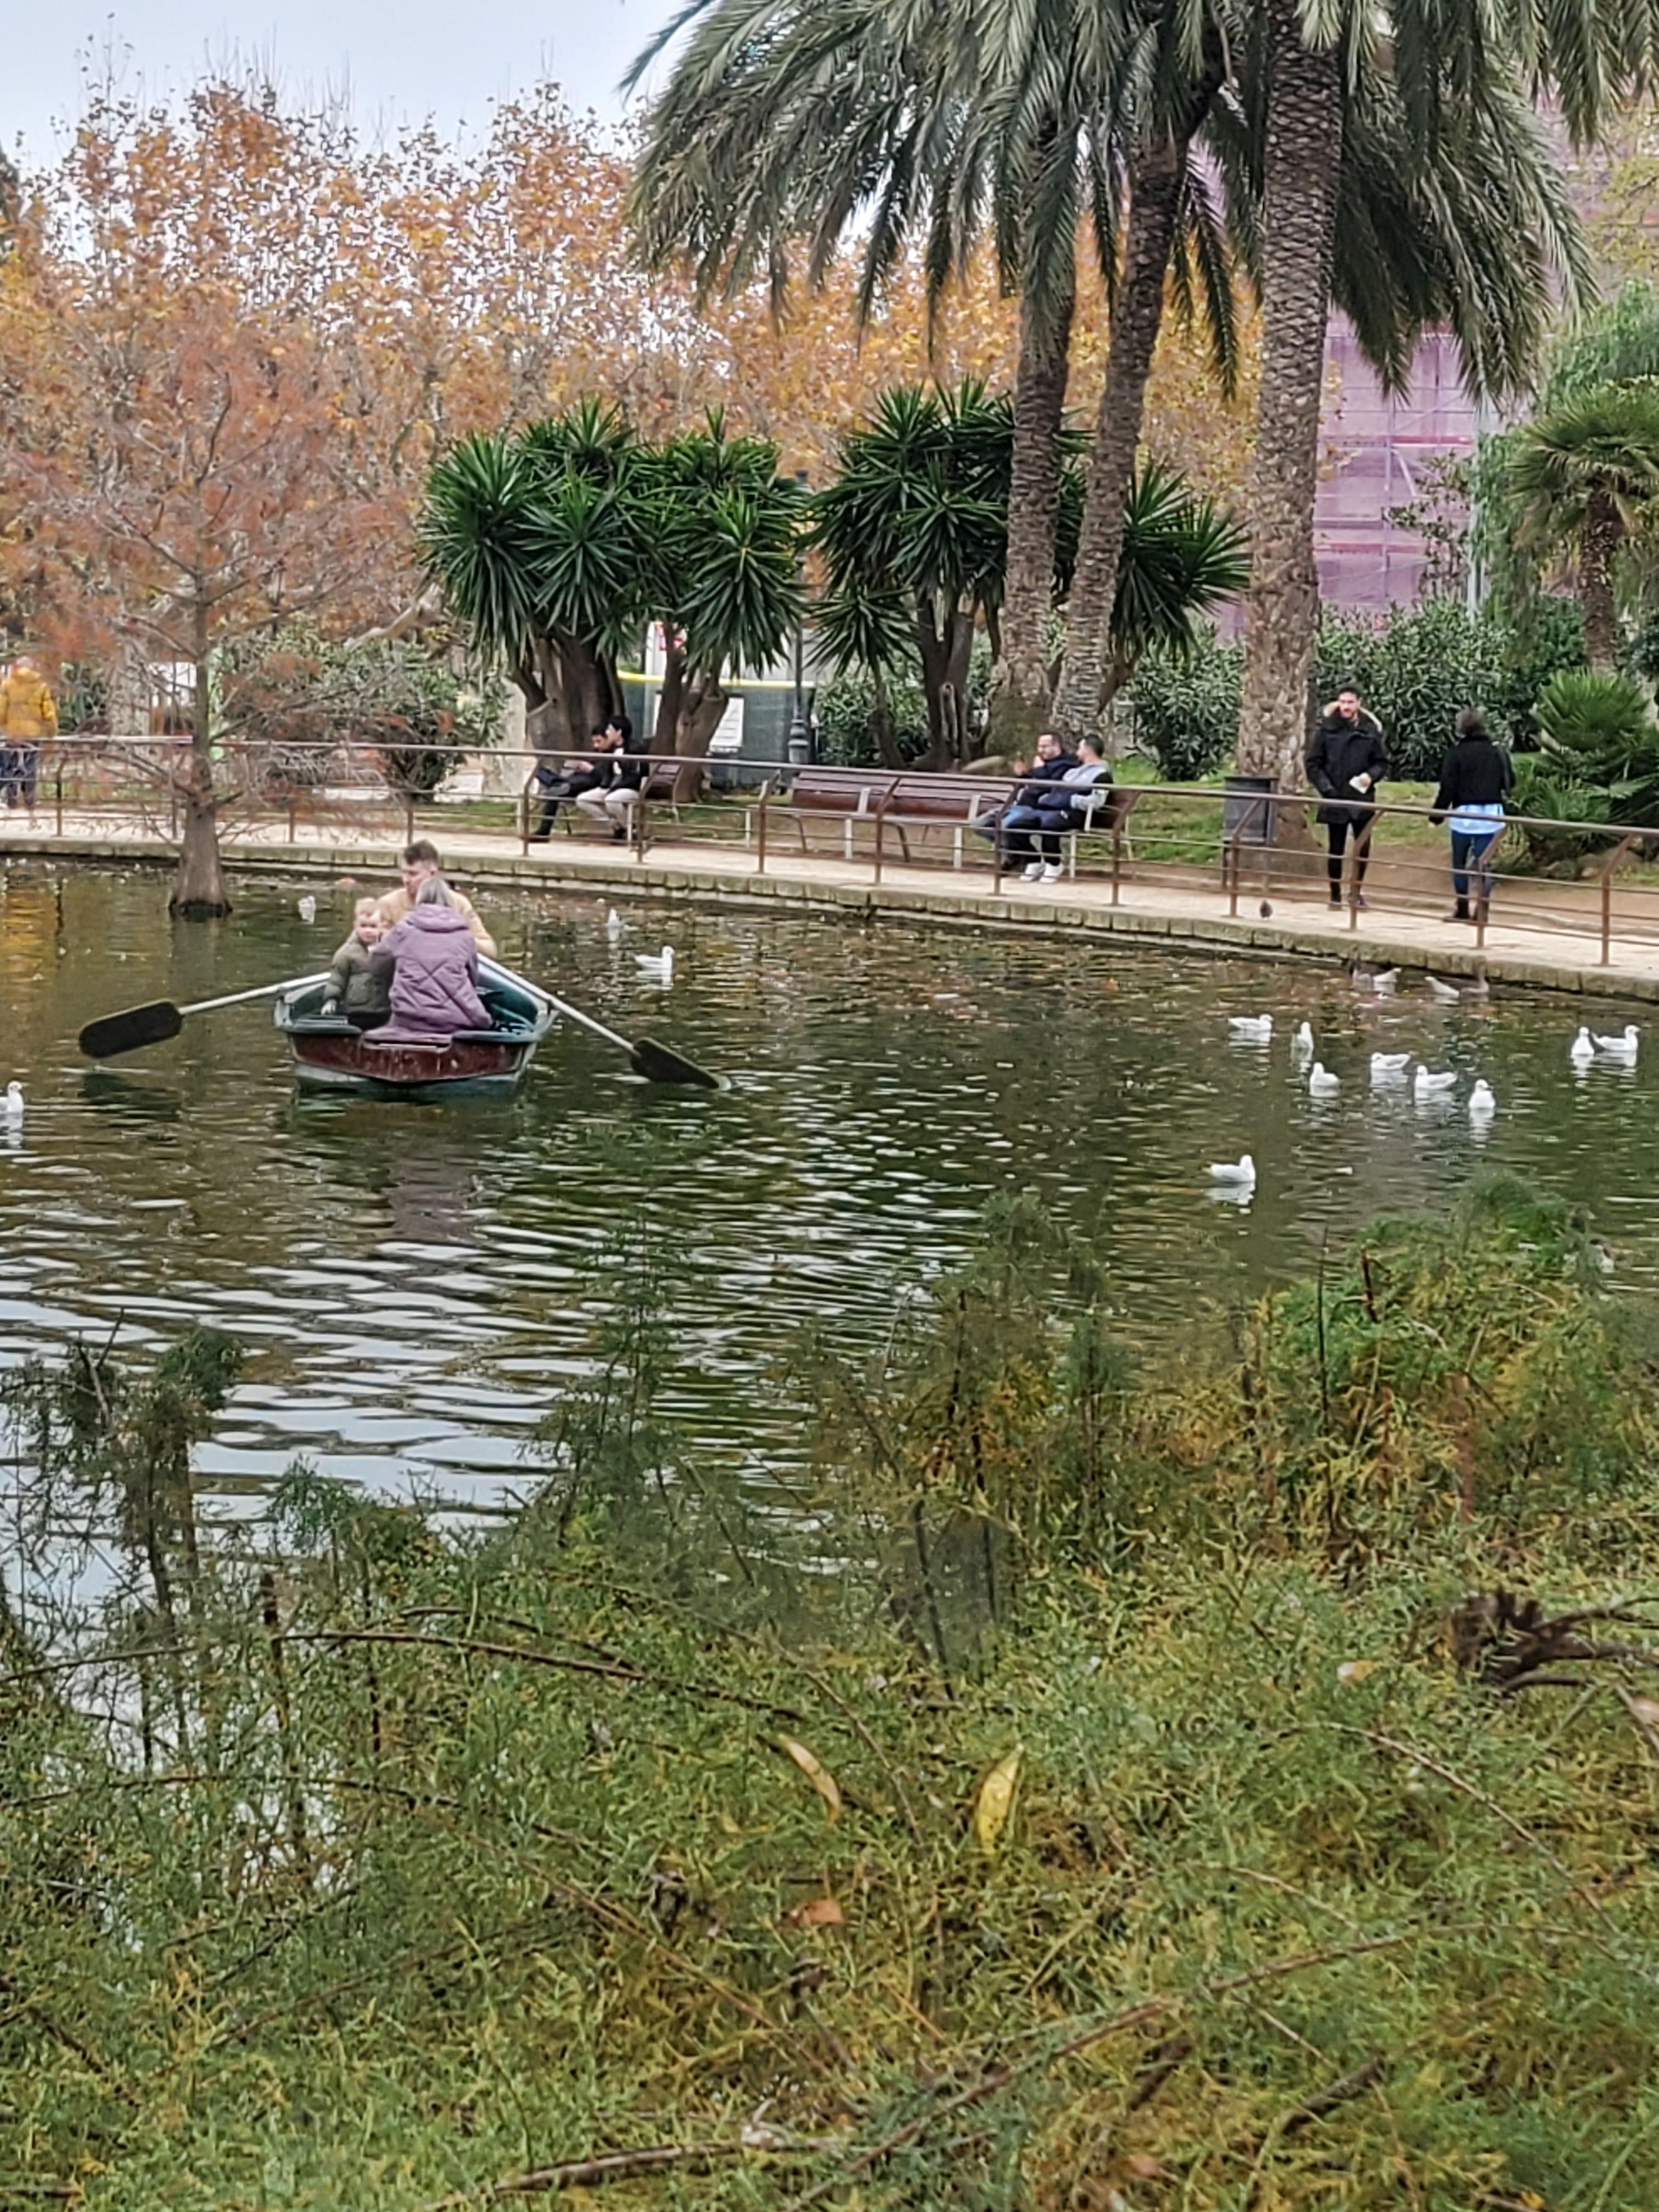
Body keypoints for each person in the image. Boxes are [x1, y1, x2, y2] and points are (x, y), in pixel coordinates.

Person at [369, 876, 490, 1039]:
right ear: (449, 901)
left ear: (420, 898)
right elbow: (472, 978)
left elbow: (376, 966)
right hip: (456, 1020)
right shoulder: (465, 935)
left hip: (409, 1019)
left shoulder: (403, 930)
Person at [1306, 685, 1389, 910]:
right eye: (1342, 702)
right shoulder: (1326, 730)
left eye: (1350, 702)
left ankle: (1356, 892)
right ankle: (1334, 894)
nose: (1346, 707)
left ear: (1358, 704)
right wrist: (1327, 789)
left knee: (1363, 848)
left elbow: (1381, 762)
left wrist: (1370, 776)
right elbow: (1313, 764)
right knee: (1336, 848)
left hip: (1361, 797)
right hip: (1335, 795)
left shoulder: (1370, 731)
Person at [1430, 707, 1513, 921]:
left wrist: (1436, 816)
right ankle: (1482, 910)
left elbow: (1448, 787)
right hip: (1491, 813)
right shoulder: (1496, 751)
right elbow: (1510, 781)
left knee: (1459, 863)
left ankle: (1462, 907)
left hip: (1464, 815)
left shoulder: (1456, 753)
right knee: (1483, 864)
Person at [375, 839, 498, 956]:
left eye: (413, 874)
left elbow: (490, 950)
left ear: (433, 874)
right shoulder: (388, 904)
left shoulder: (459, 904)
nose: (406, 880)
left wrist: (460, 938)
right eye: (404, 872)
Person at [978, 732, 1078, 873]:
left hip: (1036, 808)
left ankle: (1028, 859)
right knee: (980, 824)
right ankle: (1018, 855)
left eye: (1045, 747)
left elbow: (1051, 786)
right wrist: (1022, 774)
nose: (1041, 750)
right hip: (1019, 805)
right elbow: (1031, 780)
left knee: (1007, 826)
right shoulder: (1043, 765)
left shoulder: (1067, 765)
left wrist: (1038, 770)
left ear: (1057, 746)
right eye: (1039, 747)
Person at [1022, 736, 1116, 881]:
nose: (1077, 752)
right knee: (1019, 822)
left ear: (1087, 750)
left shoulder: (1102, 775)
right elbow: (1057, 790)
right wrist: (1046, 799)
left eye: (1080, 748)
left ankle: (1053, 863)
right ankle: (1033, 861)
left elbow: (1097, 802)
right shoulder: (1073, 772)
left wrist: (1072, 800)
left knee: (1049, 824)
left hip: (1076, 813)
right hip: (1054, 809)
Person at [0, 655, 58, 819]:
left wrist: (4, 726)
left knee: (10, 765)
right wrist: (52, 732)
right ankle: (29, 799)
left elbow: (1, 710)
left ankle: (12, 798)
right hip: (33, 734)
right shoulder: (41, 686)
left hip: (13, 734)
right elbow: (49, 713)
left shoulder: (8, 685)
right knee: (31, 765)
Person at [573, 714, 646, 841]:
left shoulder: (635, 749)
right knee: (583, 800)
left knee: (612, 800)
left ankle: (631, 828)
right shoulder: (611, 749)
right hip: (613, 786)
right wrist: (604, 787)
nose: (607, 733)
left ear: (619, 732)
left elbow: (634, 776)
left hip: (630, 787)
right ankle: (615, 825)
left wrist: (612, 789)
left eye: (610, 730)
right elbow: (609, 772)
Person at [321, 899, 393, 1025]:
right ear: (356, 925)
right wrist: (331, 1000)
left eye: (373, 926)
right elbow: (337, 979)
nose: (368, 931)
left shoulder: (389, 949)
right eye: (363, 926)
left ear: (382, 926)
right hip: (357, 1011)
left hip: (384, 1010)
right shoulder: (346, 952)